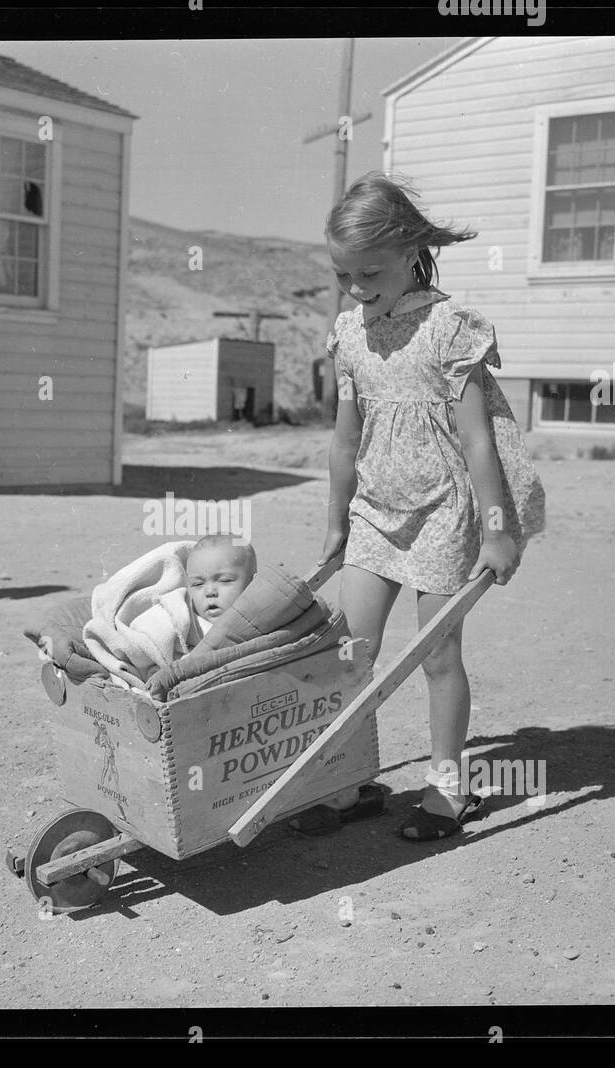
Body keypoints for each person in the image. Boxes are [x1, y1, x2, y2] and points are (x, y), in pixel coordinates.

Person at [309, 171, 546, 840]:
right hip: (375, 515)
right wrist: (335, 522)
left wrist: (497, 532)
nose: (357, 287)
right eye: (344, 275)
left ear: (411, 248)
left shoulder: (450, 329)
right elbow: (343, 439)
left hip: (443, 512)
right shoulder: (351, 335)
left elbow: (478, 442)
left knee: (436, 657)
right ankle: (348, 781)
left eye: (370, 270)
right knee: (349, 653)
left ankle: (449, 788)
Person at [184, 533, 257, 632]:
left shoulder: (269, 624)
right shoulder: (182, 629)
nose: (210, 592)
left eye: (225, 580)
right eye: (198, 584)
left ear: (253, 585)